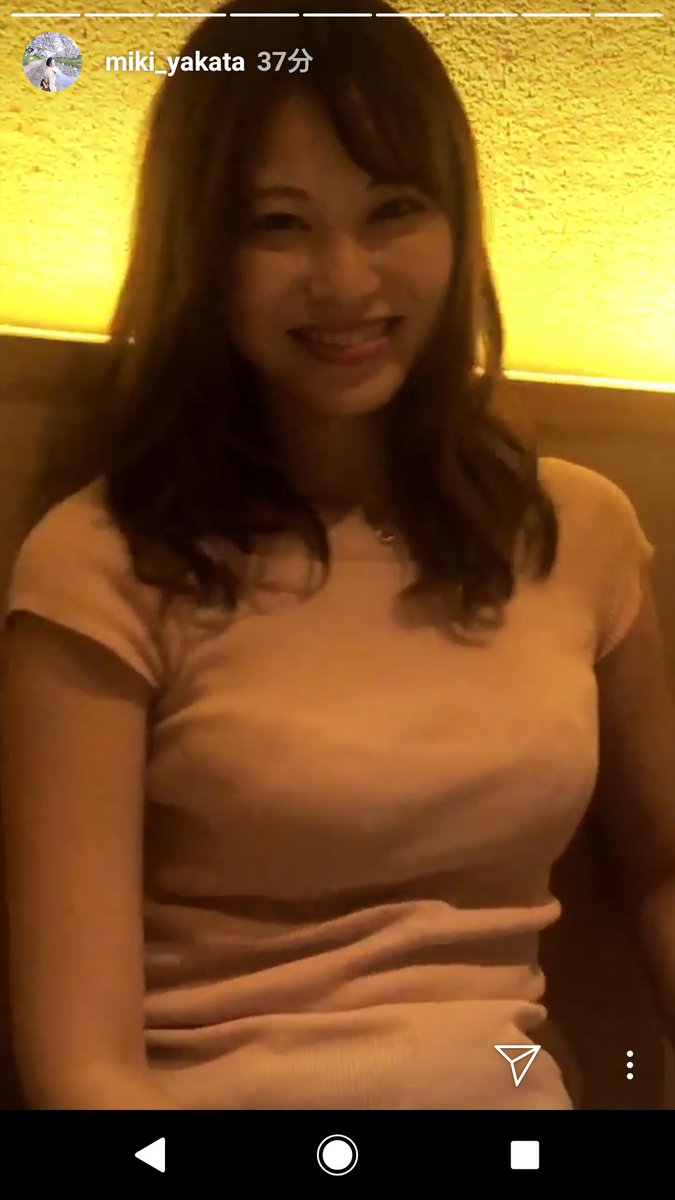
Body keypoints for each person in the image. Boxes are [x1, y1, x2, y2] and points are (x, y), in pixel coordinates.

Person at [2, 0, 675, 1113]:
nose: (346, 278)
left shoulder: (576, 530)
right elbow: (83, 1069)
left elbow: (661, 869)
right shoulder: (100, 562)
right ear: (201, 249)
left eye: (393, 209)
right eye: (279, 224)